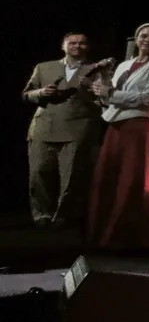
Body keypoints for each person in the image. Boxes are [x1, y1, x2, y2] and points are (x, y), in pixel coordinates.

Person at [86, 23, 149, 248]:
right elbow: (108, 98)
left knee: (132, 179)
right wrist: (103, 82)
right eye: (144, 35)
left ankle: (129, 234)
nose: (147, 40)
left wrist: (111, 93)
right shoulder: (124, 65)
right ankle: (105, 231)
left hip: (140, 126)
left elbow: (148, 99)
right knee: (111, 178)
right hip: (117, 126)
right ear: (136, 38)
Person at [24, 32, 104, 228]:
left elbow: (104, 98)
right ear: (63, 46)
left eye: (82, 43)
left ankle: (64, 215)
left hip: (78, 126)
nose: (77, 46)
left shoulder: (97, 68)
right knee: (38, 173)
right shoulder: (44, 67)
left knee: (72, 175)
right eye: (72, 42)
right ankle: (42, 214)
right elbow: (27, 94)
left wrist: (94, 89)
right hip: (44, 125)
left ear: (88, 47)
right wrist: (40, 92)